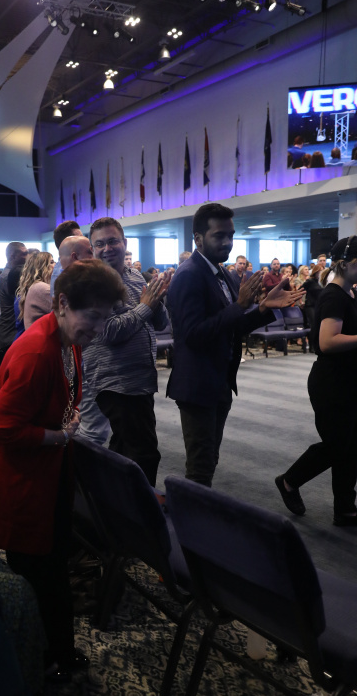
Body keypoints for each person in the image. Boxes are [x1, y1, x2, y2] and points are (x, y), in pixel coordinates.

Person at [0, 259, 124, 680]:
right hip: (19, 477)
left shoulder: (66, 338)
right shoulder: (37, 351)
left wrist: (65, 423)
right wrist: (58, 436)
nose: (98, 328)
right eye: (93, 317)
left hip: (42, 470)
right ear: (63, 303)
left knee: (50, 566)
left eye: (105, 318)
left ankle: (51, 652)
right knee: (42, 573)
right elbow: (1, 428)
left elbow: (62, 396)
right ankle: (47, 658)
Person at [166, 203, 304, 487]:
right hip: (197, 385)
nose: (227, 242)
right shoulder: (189, 275)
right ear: (198, 238)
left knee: (209, 460)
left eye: (230, 235)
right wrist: (239, 305)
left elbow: (233, 325)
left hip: (219, 380)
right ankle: (189, 515)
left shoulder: (221, 274)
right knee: (200, 467)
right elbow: (193, 335)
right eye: (219, 235)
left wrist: (263, 308)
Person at [276, 236, 357, 526]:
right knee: (337, 445)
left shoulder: (348, 293)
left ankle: (345, 508)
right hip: (331, 382)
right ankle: (289, 481)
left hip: (346, 379)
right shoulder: (334, 296)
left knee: (350, 447)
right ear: (346, 264)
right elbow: (327, 341)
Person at [83, 216, 170, 485]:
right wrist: (145, 306)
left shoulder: (135, 276)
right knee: (144, 454)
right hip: (116, 381)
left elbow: (161, 323)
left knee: (124, 449)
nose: (107, 248)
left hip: (140, 378)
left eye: (113, 241)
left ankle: (112, 502)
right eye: (100, 244)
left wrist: (157, 298)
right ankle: (140, 508)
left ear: (125, 243)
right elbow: (109, 332)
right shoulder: (93, 282)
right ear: (92, 248)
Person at [0, 242, 27, 355]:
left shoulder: (10, 273)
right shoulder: (9, 276)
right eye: (24, 254)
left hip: (11, 332)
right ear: (12, 256)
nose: (27, 257)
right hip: (11, 333)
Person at [14, 251, 54, 335]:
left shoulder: (34, 286)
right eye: (51, 262)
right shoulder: (41, 288)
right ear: (42, 268)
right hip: (42, 340)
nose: (56, 264)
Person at [50, 221, 82, 296]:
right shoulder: (63, 274)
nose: (85, 241)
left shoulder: (61, 267)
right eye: (80, 238)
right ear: (66, 243)